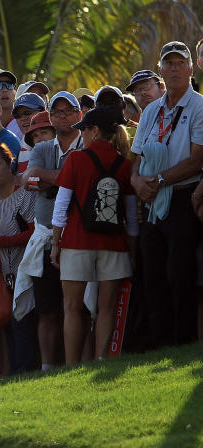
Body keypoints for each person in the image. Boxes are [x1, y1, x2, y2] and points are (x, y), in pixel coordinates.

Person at [132, 41, 203, 350]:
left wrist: (157, 180)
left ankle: (182, 342)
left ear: (191, 68)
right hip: (150, 201)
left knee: (180, 274)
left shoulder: (199, 106)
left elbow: (197, 159)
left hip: (182, 198)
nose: (174, 68)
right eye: (168, 63)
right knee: (153, 274)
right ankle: (158, 345)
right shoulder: (151, 110)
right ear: (161, 70)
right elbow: (135, 159)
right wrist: (137, 182)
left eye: (179, 63)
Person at [52, 107, 138, 362]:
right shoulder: (125, 165)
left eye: (85, 130)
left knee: (72, 307)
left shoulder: (76, 159)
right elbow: (131, 217)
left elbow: (61, 206)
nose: (82, 136)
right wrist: (132, 250)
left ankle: (71, 364)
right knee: (107, 307)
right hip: (114, 243)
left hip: (77, 241)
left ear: (95, 130)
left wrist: (56, 243)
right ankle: (103, 360)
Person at [20, 91, 84, 370]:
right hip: (47, 235)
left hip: (81, 236)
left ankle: (79, 362)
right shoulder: (43, 148)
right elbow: (28, 180)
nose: (63, 116)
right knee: (46, 309)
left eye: (68, 111)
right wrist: (68, 180)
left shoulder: (86, 143)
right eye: (56, 112)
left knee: (79, 306)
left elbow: (88, 182)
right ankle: (47, 367)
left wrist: (49, 180)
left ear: (79, 114)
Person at [0, 144, 37, 377]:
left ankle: (28, 370)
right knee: (9, 324)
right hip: (5, 270)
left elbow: (35, 231)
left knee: (24, 321)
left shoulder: (24, 190)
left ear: (9, 164)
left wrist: (3, 242)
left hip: (29, 267)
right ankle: (16, 373)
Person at [11, 93, 47, 174]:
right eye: (18, 115)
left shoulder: (57, 142)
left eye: (27, 113)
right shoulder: (18, 147)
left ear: (43, 112)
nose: (23, 118)